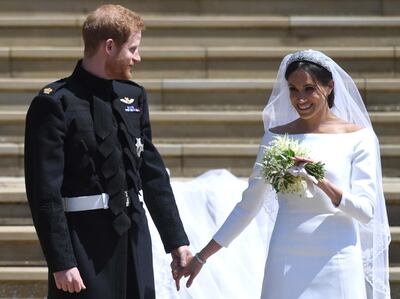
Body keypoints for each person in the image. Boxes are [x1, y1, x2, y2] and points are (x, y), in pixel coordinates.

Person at [174, 49, 391, 298]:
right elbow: (248, 206)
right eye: (293, 89)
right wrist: (202, 257)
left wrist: (319, 180)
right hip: (286, 254)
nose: (300, 99)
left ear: (329, 87)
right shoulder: (276, 137)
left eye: (309, 89)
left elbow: (365, 211)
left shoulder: (358, 137)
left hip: (338, 255)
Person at [24, 4, 191, 299]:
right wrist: (62, 261)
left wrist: (176, 240)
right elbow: (44, 192)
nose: (137, 58)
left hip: (134, 238)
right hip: (85, 245)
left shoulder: (134, 96)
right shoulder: (54, 103)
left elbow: (151, 174)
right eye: (133, 49)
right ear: (109, 46)